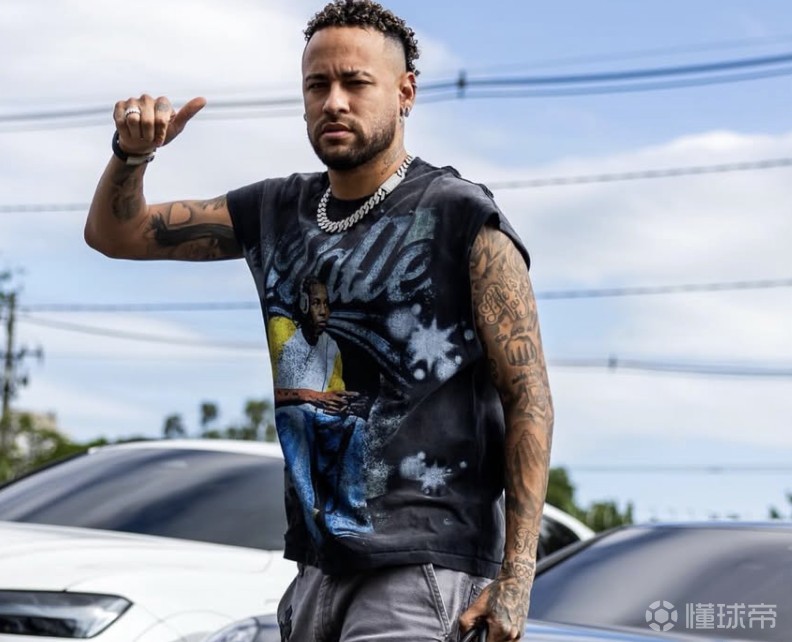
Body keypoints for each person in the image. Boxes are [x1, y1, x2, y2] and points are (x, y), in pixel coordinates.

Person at [84, 1, 554, 640]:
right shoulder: (277, 210)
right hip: (315, 567)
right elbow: (116, 234)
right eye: (317, 85)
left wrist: (517, 576)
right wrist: (131, 155)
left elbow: (528, 396)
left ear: (405, 93)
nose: (334, 102)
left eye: (356, 83)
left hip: (423, 568)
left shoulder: (460, 216)